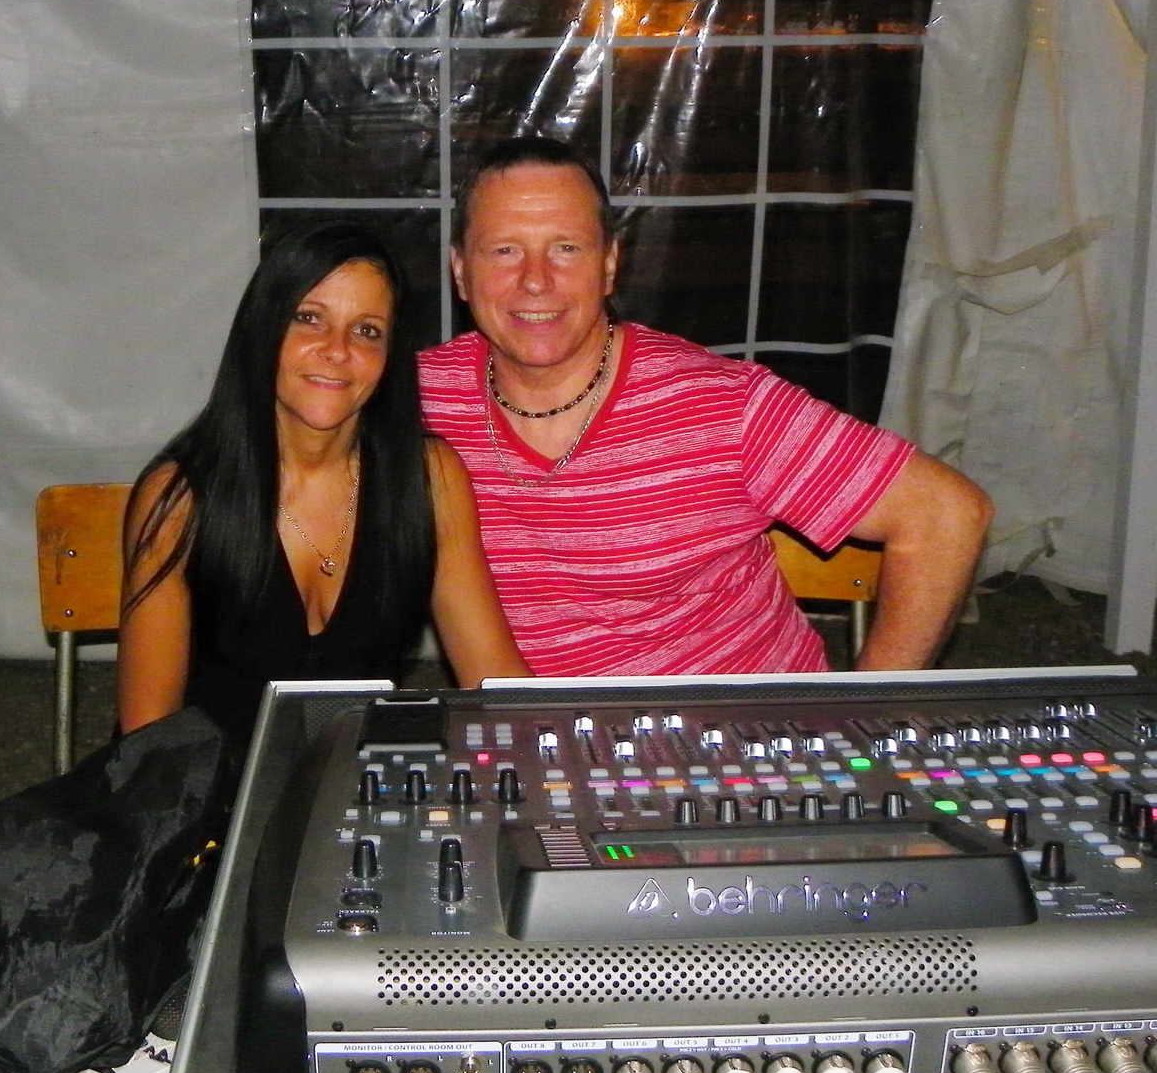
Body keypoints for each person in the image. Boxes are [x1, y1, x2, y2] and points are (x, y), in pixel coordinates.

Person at [419, 136, 994, 677]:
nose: (536, 281)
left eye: (566, 248)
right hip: (546, 734)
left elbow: (945, 514)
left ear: (610, 265)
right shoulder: (417, 400)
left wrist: (861, 712)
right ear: (461, 271)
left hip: (741, 732)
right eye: (504, 251)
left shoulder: (720, 404)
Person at [117, 221, 529, 748]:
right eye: (309, 318)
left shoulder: (430, 479)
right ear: (264, 328)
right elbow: (147, 738)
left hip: (357, 783)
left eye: (367, 330)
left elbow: (494, 682)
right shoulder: (180, 497)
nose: (337, 350)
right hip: (201, 789)